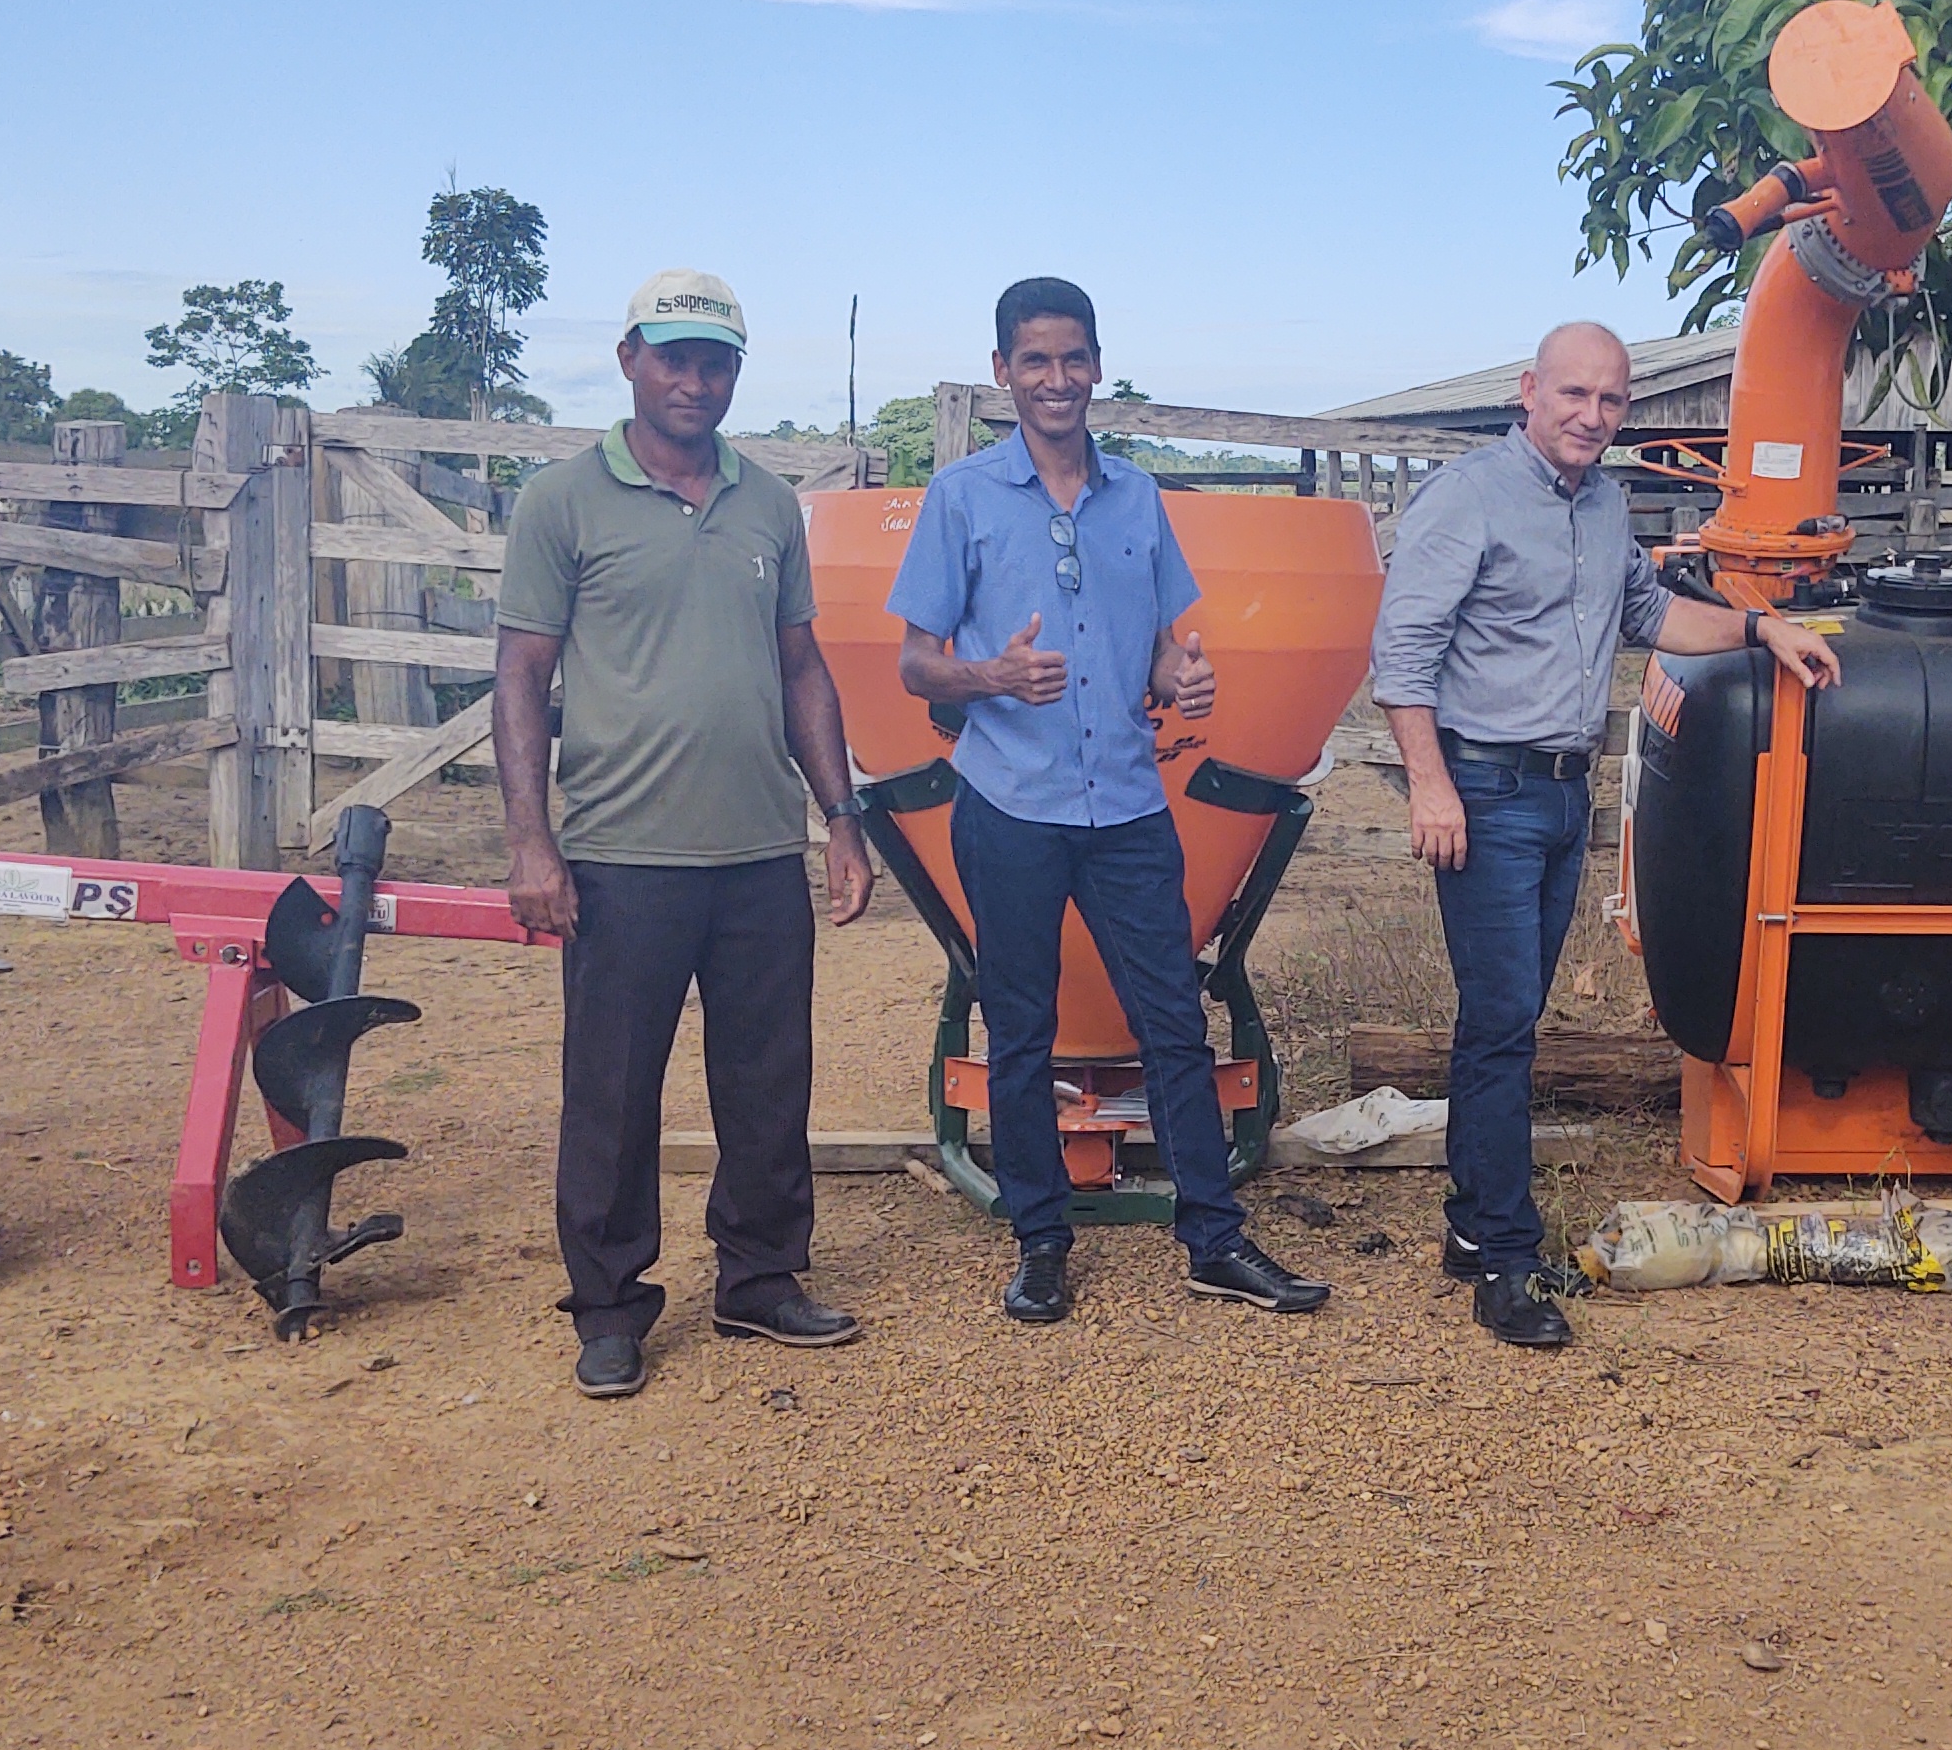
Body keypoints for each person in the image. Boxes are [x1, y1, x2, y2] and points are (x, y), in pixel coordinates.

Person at [1374, 322, 1843, 1348]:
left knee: (1509, 1017)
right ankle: (1503, 1256)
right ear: (1528, 392)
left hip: (1557, 793)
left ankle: (1470, 1224)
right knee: (1500, 1020)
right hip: (1485, 792)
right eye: (1573, 395)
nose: (1591, 416)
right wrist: (1430, 788)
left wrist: (1763, 629)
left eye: (1610, 401)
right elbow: (1403, 655)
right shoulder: (1467, 498)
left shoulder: (1599, 501)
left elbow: (1651, 613)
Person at [888, 277, 1330, 1327]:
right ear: (1003, 372)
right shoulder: (962, 500)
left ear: (1096, 366)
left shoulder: (1136, 498)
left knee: (1174, 1022)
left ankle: (1213, 1239)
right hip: (1010, 807)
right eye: (1034, 360)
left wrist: (1184, 676)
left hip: (1128, 806)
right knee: (1023, 1031)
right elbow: (915, 664)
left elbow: (1169, 648)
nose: (1056, 379)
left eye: (1073, 358)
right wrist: (994, 676)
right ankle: (1040, 1242)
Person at [494, 269, 879, 1401]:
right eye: (674, 356)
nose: (693, 380)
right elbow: (522, 675)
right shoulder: (562, 502)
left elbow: (801, 664)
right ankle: (609, 1308)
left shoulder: (766, 503)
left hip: (758, 847)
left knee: (767, 1081)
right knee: (612, 1091)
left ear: (734, 374)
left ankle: (760, 1279)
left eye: (715, 361)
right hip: (621, 853)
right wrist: (532, 841)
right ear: (630, 360)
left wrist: (840, 818)